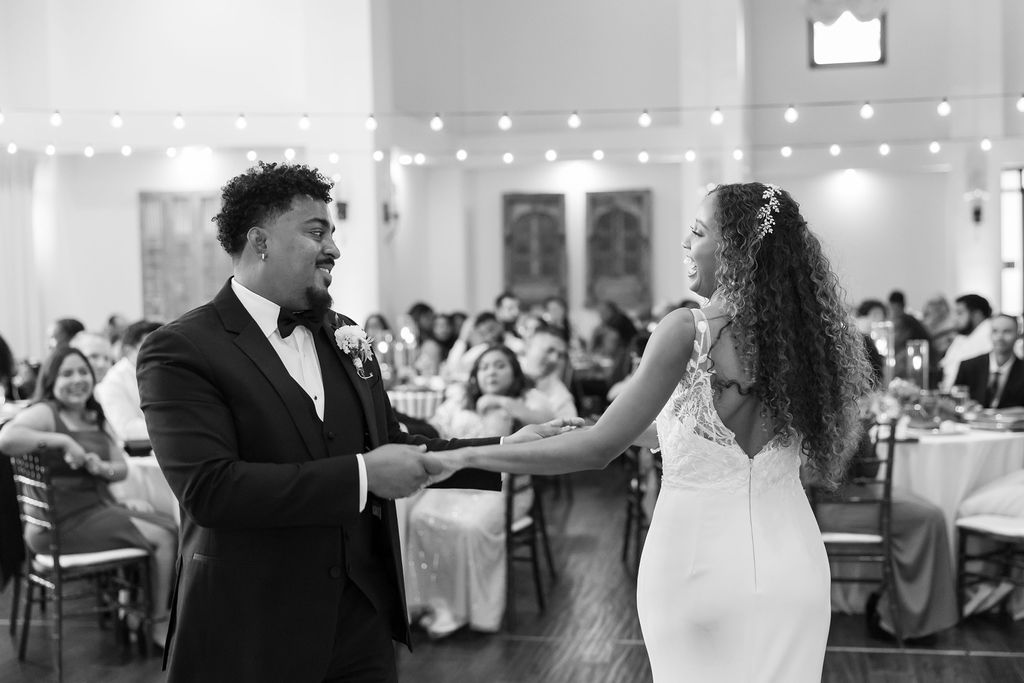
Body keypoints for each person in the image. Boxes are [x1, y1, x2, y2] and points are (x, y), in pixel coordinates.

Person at [135, 162, 570, 683]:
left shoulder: (343, 335)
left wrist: (505, 446)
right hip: (250, 624)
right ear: (260, 241)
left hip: (359, 615)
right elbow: (210, 489)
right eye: (316, 231)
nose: (334, 249)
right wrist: (363, 476)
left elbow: (393, 444)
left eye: (332, 233)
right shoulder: (181, 350)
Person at [435, 182, 871, 682]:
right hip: (794, 566)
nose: (686, 244)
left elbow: (599, 451)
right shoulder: (801, 340)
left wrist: (466, 456)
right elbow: (718, 442)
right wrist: (604, 429)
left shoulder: (688, 329)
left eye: (698, 231)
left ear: (736, 249)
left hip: (696, 565)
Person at [0, 346, 178, 646]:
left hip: (95, 511)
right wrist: (63, 441)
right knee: (164, 536)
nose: (77, 379)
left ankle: (138, 613)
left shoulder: (93, 416)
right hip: (57, 525)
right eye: (67, 373)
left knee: (168, 524)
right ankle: (157, 622)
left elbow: (120, 469)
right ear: (52, 379)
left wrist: (101, 468)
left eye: (83, 372)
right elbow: (7, 439)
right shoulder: (46, 412)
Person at [406, 345, 554, 638]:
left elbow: (547, 420)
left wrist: (500, 402)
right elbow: (435, 428)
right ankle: (436, 603)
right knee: (420, 516)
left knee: (470, 527)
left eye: (500, 365)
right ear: (475, 375)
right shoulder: (460, 401)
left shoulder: (528, 399)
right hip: (458, 485)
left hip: (505, 491)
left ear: (514, 370)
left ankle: (472, 610)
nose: (492, 372)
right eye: (485, 367)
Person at [95, 320, 162, 442]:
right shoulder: (113, 381)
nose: (162, 352)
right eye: (153, 347)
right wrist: (175, 425)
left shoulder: (166, 372)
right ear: (128, 350)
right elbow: (126, 429)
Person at [953, 314, 1024, 408]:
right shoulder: (968, 366)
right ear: (989, 334)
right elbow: (952, 402)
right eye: (995, 331)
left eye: (1007, 332)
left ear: (1018, 335)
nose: (1000, 337)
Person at [939, 294, 993, 390]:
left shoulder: (989, 335)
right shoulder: (962, 336)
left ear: (977, 315)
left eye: (960, 313)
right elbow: (945, 366)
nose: (955, 319)